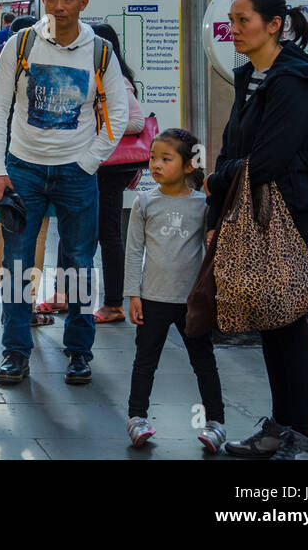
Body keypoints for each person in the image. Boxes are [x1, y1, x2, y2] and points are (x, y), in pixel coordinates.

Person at [0, 0, 130, 387]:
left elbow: (117, 114)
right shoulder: (22, 43)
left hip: (76, 174)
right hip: (23, 171)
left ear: (83, 3)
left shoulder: (100, 52)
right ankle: (15, 351)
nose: (60, 5)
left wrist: (88, 161)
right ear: (43, 0)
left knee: (79, 264)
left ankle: (79, 353)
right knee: (17, 265)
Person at [207, 0, 308, 460]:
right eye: (232, 20)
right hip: (250, 210)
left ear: (274, 25)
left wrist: (216, 182)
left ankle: (302, 437)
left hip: (286, 213)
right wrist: (219, 211)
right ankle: (281, 427)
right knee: (271, 321)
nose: (233, 29)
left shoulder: (295, 80)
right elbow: (235, 149)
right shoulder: (250, 77)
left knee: (291, 321)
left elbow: (270, 159)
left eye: (243, 20)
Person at [124, 128, 226, 453]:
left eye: (165, 159)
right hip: (152, 298)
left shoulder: (202, 206)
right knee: (145, 361)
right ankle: (137, 418)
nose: (156, 164)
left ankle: (216, 423)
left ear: (187, 166)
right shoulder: (144, 202)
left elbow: (210, 251)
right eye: (153, 157)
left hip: (190, 302)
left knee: (203, 361)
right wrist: (133, 293)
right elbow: (133, 251)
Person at [0, 15, 54, 327]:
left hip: (0, 156)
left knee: (7, 230)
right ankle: (28, 304)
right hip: (30, 156)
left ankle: (9, 300)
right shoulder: (39, 67)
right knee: (37, 232)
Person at [90, 22, 146, 325]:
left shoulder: (118, 81)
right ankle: (68, 295)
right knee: (89, 233)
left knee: (108, 234)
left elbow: (136, 122)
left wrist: (97, 126)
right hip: (97, 167)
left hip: (109, 170)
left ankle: (114, 303)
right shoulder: (98, 76)